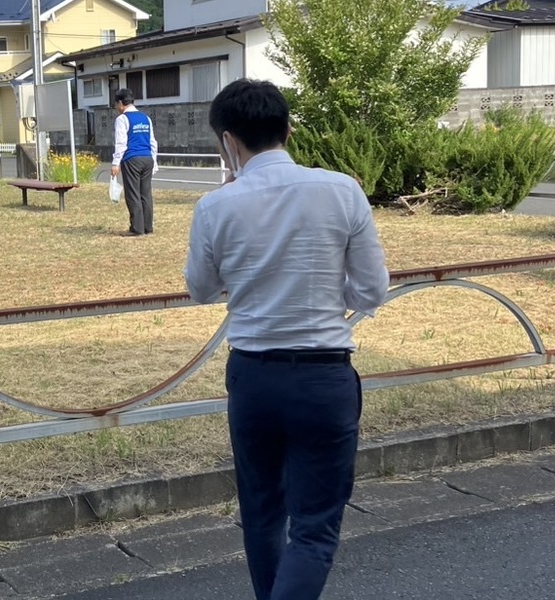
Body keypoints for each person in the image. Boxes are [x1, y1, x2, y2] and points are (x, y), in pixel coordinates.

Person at [183, 79, 389, 600]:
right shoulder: (342, 189)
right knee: (315, 526)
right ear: (288, 129)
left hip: (253, 375)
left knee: (261, 514)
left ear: (228, 141)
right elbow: (371, 291)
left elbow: (201, 288)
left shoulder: (214, 206)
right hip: (324, 376)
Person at [110, 88, 158, 236]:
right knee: (145, 194)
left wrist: (115, 163)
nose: (116, 108)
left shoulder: (122, 119)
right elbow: (153, 142)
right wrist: (154, 162)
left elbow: (121, 143)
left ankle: (136, 228)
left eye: (116, 104)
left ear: (120, 103)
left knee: (133, 194)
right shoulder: (145, 118)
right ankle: (147, 227)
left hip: (132, 158)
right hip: (147, 158)